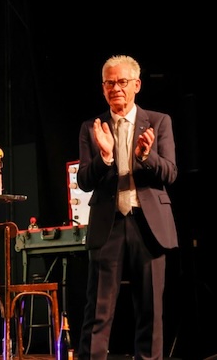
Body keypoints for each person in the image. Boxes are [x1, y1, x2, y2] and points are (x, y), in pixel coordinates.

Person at [76, 55, 178, 360]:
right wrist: (104, 157)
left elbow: (170, 173)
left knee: (150, 311)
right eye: (109, 82)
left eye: (122, 82)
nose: (115, 88)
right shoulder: (91, 127)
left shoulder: (159, 122)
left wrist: (147, 156)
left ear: (136, 85)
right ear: (103, 87)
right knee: (98, 312)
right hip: (109, 226)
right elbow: (83, 180)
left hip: (148, 226)